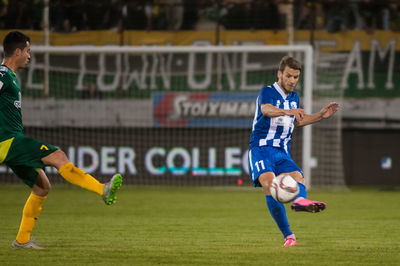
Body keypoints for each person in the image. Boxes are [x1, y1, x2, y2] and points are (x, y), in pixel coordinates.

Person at [0, 31, 123, 250]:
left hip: (10, 143)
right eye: (27, 51)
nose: (29, 56)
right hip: (7, 141)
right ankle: (102, 190)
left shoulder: (10, 76)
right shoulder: (1, 73)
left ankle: (22, 240)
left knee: (42, 187)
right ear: (17, 51)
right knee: (58, 155)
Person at [248, 56, 339, 247]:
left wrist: (321, 116)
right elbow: (266, 110)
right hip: (262, 148)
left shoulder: (294, 98)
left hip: (282, 152)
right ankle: (289, 235)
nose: (292, 80)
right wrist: (287, 111)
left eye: (296, 77)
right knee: (269, 184)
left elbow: (298, 121)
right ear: (279, 74)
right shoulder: (268, 92)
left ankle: (301, 202)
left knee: (299, 178)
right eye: (288, 76)